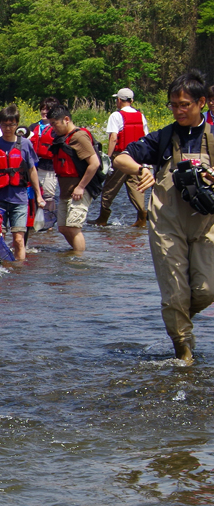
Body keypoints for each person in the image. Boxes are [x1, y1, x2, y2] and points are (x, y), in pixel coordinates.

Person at [112, 69, 214, 364]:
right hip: (167, 223)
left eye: (185, 105)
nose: (179, 110)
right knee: (175, 294)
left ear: (202, 103)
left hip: (207, 224)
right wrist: (141, 169)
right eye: (174, 105)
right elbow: (120, 157)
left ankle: (177, 317)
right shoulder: (164, 137)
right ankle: (183, 352)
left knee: (207, 290)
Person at [0, 106, 46, 261]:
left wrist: (39, 196)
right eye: (4, 124)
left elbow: (32, 171)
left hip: (20, 198)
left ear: (17, 124)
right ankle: (0, 268)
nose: (8, 128)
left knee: (19, 239)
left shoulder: (25, 144)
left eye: (11, 124)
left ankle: (19, 272)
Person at [47, 103, 101, 253]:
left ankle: (78, 262)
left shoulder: (79, 136)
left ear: (66, 119)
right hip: (66, 190)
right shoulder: (63, 138)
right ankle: (75, 253)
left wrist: (81, 187)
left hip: (79, 190)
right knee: (63, 228)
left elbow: (94, 163)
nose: (53, 128)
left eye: (54, 124)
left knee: (73, 227)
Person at [97, 87, 148, 227]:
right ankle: (142, 218)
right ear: (131, 101)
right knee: (137, 187)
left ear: (119, 100)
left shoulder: (116, 115)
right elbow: (145, 137)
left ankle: (102, 219)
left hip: (120, 156)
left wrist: (108, 157)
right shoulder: (140, 115)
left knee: (110, 187)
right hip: (136, 158)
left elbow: (113, 138)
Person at [30, 96, 62, 224]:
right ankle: (33, 222)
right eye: (42, 109)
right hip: (33, 166)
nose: (44, 112)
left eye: (47, 109)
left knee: (48, 196)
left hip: (49, 167)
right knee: (32, 195)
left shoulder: (56, 129)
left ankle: (49, 224)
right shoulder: (33, 127)